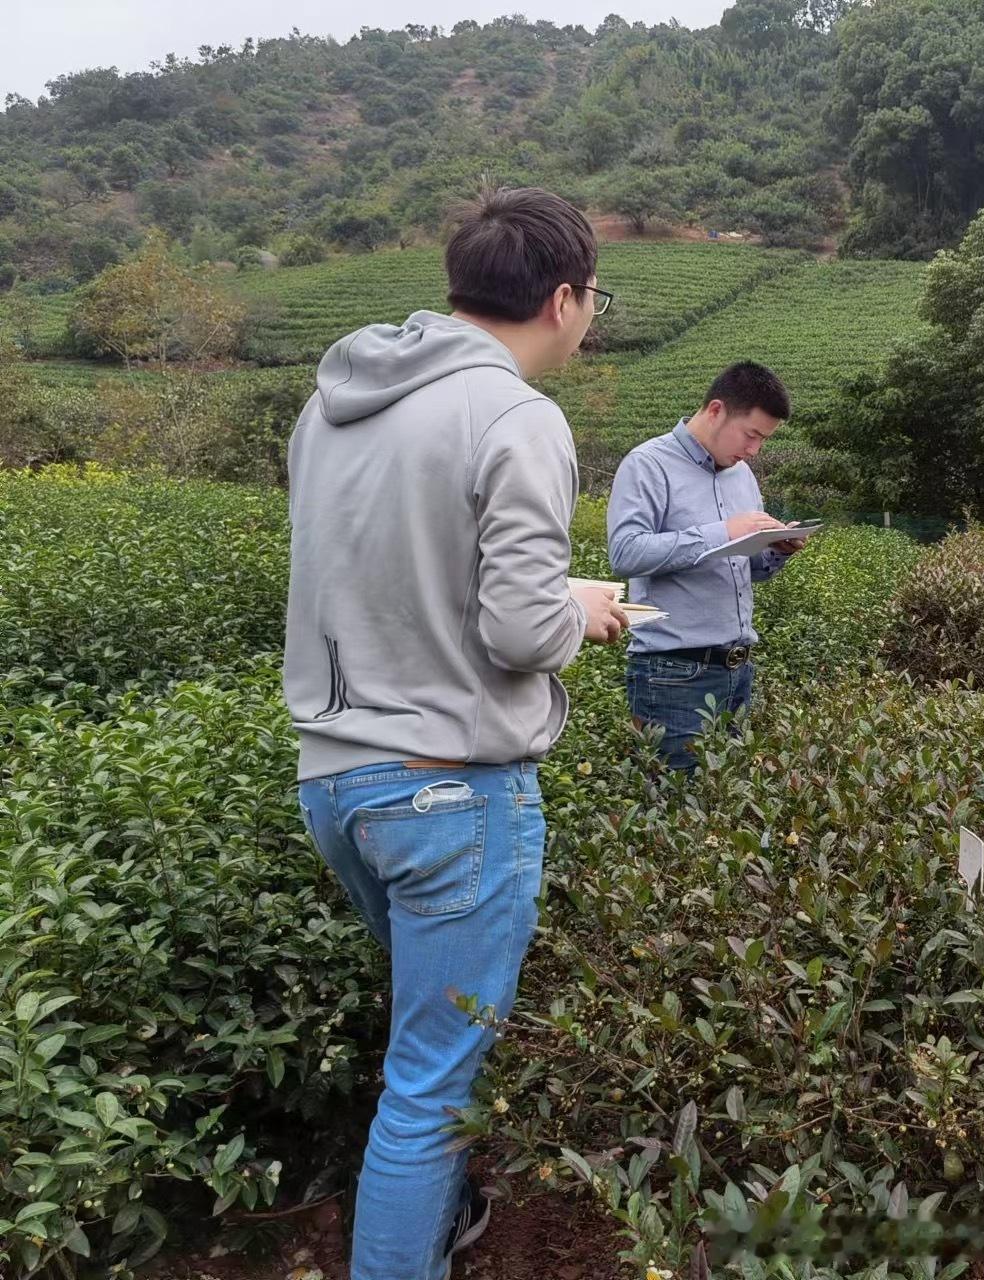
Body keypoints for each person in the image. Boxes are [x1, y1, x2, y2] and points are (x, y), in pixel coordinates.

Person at [284, 187, 628, 1280]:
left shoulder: (331, 403)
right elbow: (520, 628)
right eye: (594, 301)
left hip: (338, 780)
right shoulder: (515, 412)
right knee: (428, 1080)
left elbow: (390, 573)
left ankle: (438, 1218)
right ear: (563, 298)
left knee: (425, 1056)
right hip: (448, 795)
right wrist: (580, 606)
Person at [606, 362, 805, 770]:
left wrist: (777, 550)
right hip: (673, 674)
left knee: (723, 815)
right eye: (751, 435)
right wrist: (722, 532)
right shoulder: (648, 464)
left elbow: (743, 569)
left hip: (737, 669)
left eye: (763, 440)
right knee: (676, 817)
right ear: (716, 410)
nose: (753, 450)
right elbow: (624, 553)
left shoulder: (742, 476)